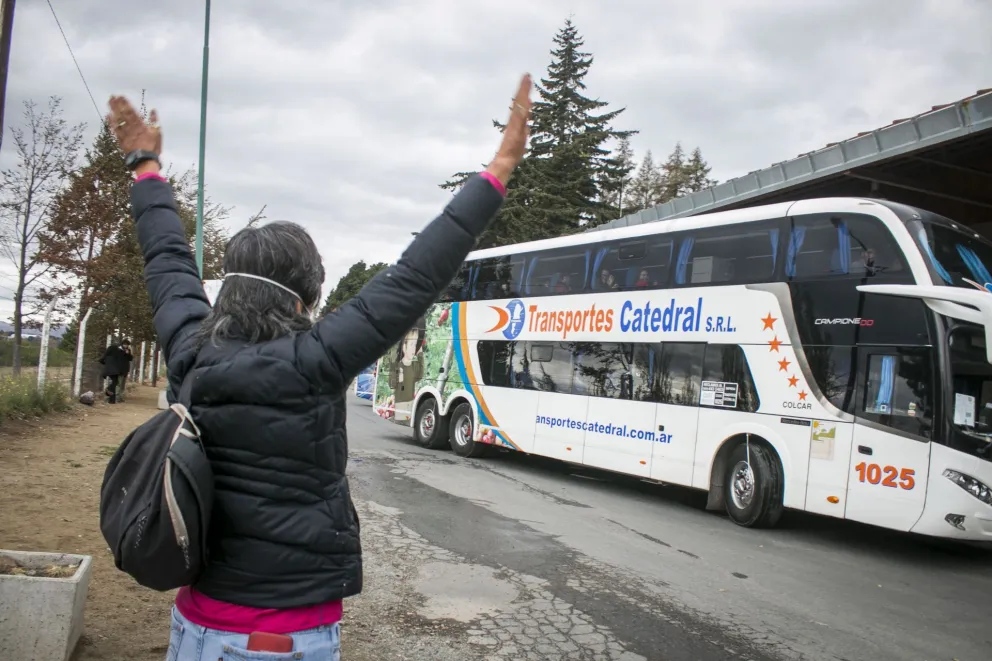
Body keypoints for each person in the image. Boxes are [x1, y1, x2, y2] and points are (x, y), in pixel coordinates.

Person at [106, 73, 531, 661]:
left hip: (196, 620)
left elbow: (166, 255)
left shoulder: (189, 347)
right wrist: (499, 169)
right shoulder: (316, 360)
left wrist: (146, 168)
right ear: (303, 296)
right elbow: (414, 276)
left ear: (228, 287)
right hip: (278, 636)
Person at [99, 338, 132, 404]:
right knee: (115, 383)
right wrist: (106, 363)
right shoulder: (116, 350)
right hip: (115, 370)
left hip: (119, 370)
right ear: (121, 344)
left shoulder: (127, 351)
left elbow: (130, 359)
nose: (126, 346)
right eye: (125, 344)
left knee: (115, 383)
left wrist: (128, 354)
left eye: (127, 345)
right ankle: (110, 394)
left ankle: (112, 400)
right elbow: (105, 358)